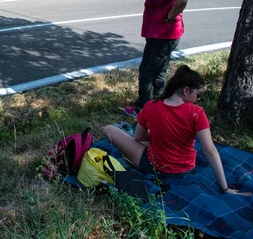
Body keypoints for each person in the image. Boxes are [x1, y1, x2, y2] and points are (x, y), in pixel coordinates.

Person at [104, 66, 245, 196]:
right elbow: (210, 150)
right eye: (198, 95)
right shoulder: (197, 113)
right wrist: (225, 188)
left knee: (109, 129)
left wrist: (158, 135)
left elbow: (139, 137)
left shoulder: (151, 106)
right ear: (186, 90)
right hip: (185, 168)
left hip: (154, 166)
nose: (198, 99)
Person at [125, 0, 188, 118]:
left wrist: (169, 16)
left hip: (162, 36)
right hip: (163, 35)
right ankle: (160, 104)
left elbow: (182, 0)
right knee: (159, 70)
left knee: (146, 70)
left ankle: (142, 109)